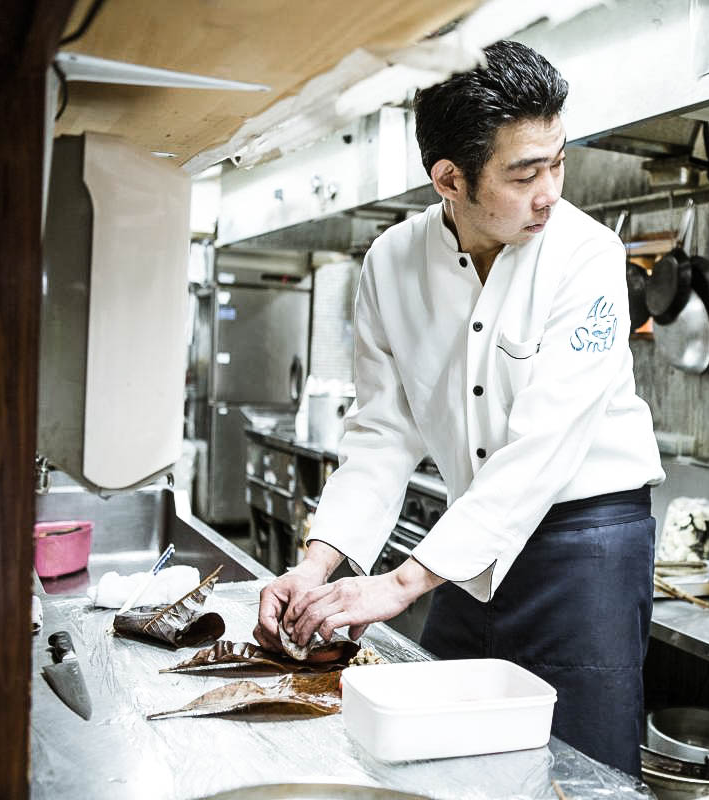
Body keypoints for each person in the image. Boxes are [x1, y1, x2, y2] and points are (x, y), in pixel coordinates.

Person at [253, 40, 664, 775]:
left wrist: (402, 581)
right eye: (523, 173)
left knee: (582, 769)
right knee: (435, 757)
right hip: (467, 545)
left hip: (585, 545)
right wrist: (318, 565)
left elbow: (541, 453)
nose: (551, 192)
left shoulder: (588, 256)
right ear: (449, 178)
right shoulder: (391, 263)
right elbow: (380, 437)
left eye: (559, 162)